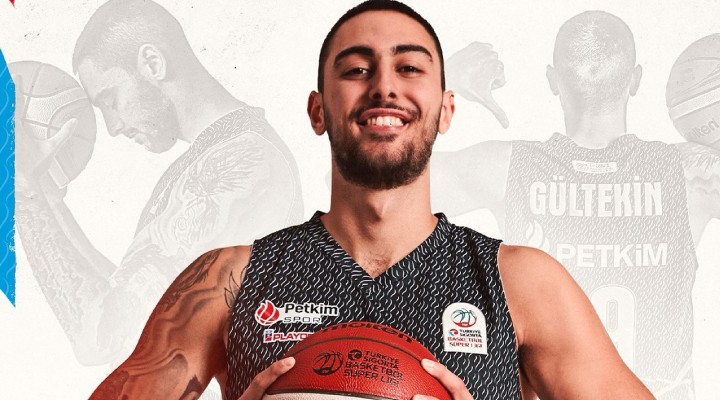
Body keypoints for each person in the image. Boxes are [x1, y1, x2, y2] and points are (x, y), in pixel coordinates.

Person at [89, 2, 653, 399]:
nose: (384, 86)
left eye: (409, 67)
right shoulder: (229, 280)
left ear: (446, 110)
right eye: (357, 69)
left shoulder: (520, 282)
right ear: (317, 111)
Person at [433, 11, 720, 399]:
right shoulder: (691, 175)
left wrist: (440, 85)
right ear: (635, 80)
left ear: (553, 81)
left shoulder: (507, 168)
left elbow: (375, 187)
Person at [14, 0, 303, 370]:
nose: (113, 127)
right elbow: (122, 298)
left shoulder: (244, 162)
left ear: (152, 63)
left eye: (110, 100)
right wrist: (46, 196)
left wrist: (25, 192)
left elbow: (105, 337)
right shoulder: (213, 159)